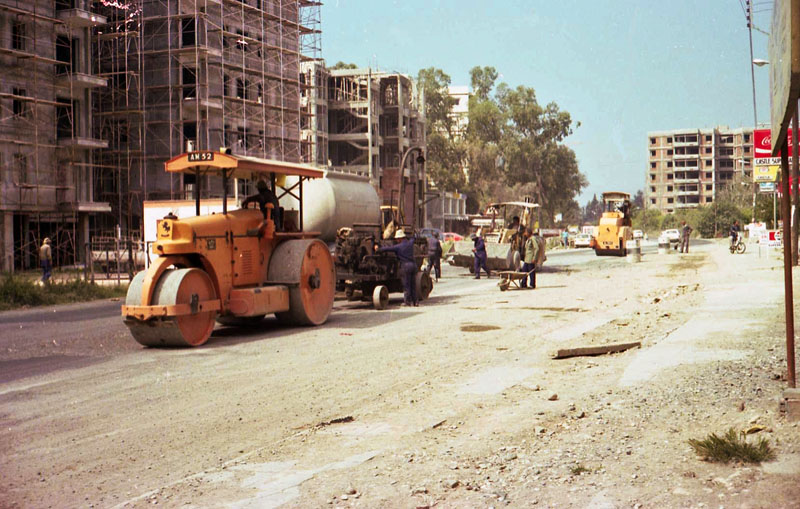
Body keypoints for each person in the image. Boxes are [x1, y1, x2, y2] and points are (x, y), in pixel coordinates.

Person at [377, 230, 418, 306]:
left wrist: (378, 249)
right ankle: (415, 302)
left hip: (405, 266)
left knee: (406, 285)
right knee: (413, 284)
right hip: (413, 265)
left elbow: (387, 249)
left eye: (397, 239)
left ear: (400, 239)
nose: (396, 240)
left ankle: (407, 302)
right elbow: (414, 237)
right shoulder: (410, 243)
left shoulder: (398, 247)